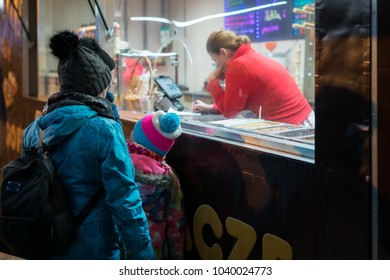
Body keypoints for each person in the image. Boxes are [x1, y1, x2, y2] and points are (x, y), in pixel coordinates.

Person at [21, 30, 155, 260]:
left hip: (49, 241)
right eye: (107, 85)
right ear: (98, 87)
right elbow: (125, 200)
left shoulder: (34, 130)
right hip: (95, 248)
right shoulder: (105, 130)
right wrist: (144, 256)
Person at [193, 29, 315, 127]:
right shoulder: (247, 58)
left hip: (298, 124)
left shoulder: (237, 65)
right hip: (301, 120)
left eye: (215, 60)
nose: (217, 66)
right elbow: (237, 103)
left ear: (223, 52)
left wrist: (212, 81)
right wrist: (211, 108)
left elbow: (229, 112)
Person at [127, 110, 185, 259]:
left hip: (119, 244)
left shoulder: (119, 164)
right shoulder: (169, 177)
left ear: (137, 139)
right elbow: (176, 224)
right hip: (153, 248)